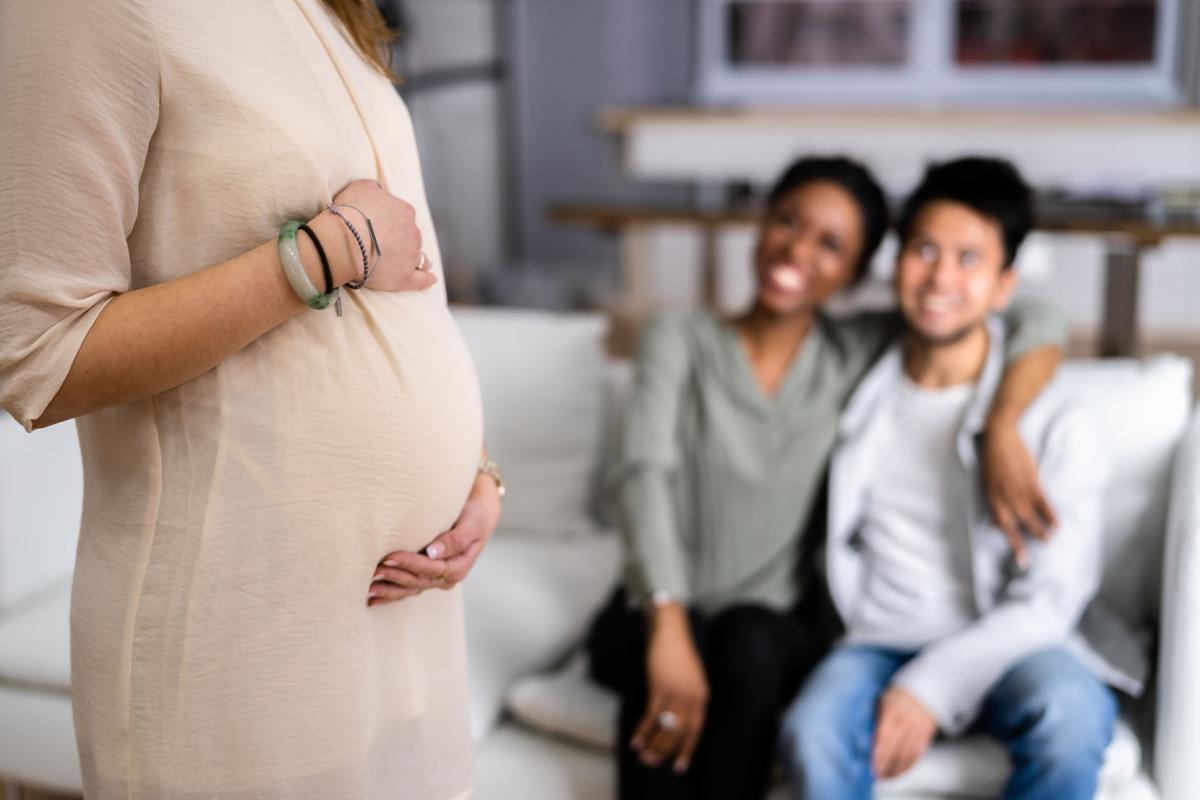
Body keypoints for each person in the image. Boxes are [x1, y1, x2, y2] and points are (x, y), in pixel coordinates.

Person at [0, 2, 502, 798]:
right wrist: (329, 251)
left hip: (410, 621)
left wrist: (474, 474)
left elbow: (410, 283)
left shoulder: (329, 11)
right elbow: (38, 356)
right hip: (240, 634)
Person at [586, 155, 1070, 799]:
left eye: (831, 244)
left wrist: (1003, 423)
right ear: (763, 224)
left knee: (747, 643)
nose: (798, 250)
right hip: (656, 608)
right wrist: (667, 623)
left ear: (857, 272)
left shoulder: (853, 352)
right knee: (683, 653)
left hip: (765, 627)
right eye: (788, 222)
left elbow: (1035, 320)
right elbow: (641, 474)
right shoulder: (679, 338)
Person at [777, 157, 1146, 800]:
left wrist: (928, 688)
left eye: (969, 259)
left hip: (1014, 642)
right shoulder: (856, 383)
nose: (940, 277)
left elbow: (1051, 599)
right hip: (875, 639)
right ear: (896, 262)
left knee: (1070, 716)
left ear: (1004, 286)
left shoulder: (1052, 419)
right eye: (924, 250)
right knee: (812, 732)